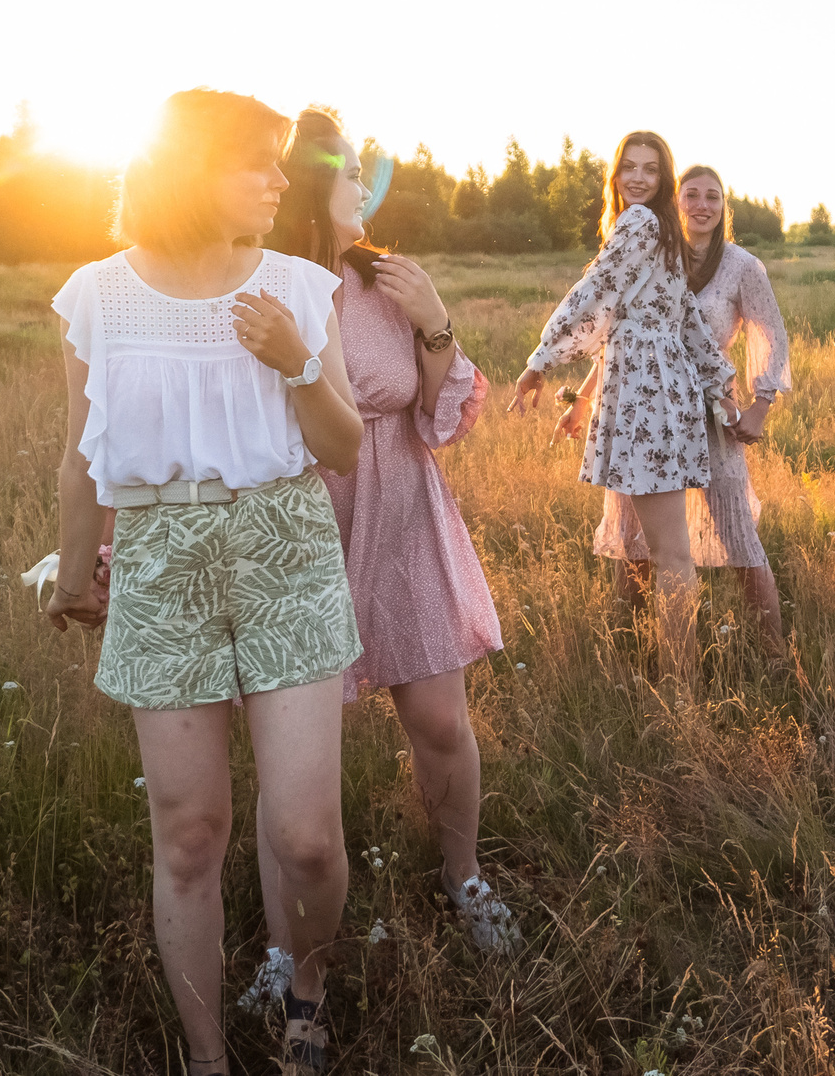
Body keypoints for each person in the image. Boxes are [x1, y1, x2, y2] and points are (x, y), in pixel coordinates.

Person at [43, 88, 364, 1074]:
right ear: (189, 170)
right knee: (189, 834)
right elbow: (78, 456)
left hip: (286, 552)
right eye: (255, 163)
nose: (278, 182)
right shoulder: (97, 296)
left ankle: (304, 992)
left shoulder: (301, 289)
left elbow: (346, 446)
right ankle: (208, 1058)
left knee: (304, 836)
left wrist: (295, 361)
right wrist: (72, 568)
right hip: (160, 559)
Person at [251, 106, 516, 966]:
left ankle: (464, 875)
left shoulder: (387, 280)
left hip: (402, 510)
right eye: (351, 171)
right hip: (307, 528)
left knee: (440, 720)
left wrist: (434, 315)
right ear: (312, 185)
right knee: (295, 767)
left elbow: (442, 415)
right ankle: (288, 947)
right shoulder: (270, 285)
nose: (364, 186)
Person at [508, 130, 737, 694]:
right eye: (628, 167)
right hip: (660, 391)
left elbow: (593, 291)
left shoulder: (639, 225)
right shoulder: (663, 233)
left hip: (645, 393)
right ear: (615, 174)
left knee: (670, 554)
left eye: (650, 169)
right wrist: (717, 381)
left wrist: (540, 359)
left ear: (663, 179)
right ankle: (674, 676)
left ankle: (681, 687)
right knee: (666, 550)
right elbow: (685, 315)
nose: (637, 177)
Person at [569, 164, 792, 646]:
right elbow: (622, 336)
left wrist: (760, 405)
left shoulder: (741, 266)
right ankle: (632, 651)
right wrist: (583, 399)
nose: (702, 206)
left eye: (713, 197)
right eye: (691, 195)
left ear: (723, 206)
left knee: (737, 533)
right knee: (634, 539)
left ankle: (776, 658)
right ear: (676, 199)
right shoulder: (651, 255)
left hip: (712, 414)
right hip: (646, 412)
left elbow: (771, 333)